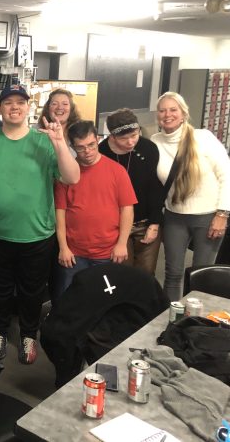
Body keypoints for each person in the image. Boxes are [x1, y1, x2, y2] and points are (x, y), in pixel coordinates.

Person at [0, 85, 79, 365]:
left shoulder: (45, 141)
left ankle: (29, 335)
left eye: (21, 102)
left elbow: (72, 177)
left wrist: (59, 143)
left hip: (36, 234)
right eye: (8, 102)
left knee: (32, 291)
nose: (15, 107)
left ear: (29, 107)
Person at [151, 91, 230, 301]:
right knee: (173, 274)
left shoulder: (203, 138)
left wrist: (222, 215)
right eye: (162, 110)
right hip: (174, 216)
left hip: (208, 217)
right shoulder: (155, 141)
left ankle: (196, 322)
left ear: (183, 113)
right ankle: (169, 321)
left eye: (173, 109)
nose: (167, 114)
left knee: (202, 276)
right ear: (157, 115)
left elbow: (226, 174)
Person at [53, 121, 137, 300]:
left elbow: (127, 210)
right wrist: (63, 247)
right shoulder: (66, 174)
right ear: (73, 147)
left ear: (98, 139)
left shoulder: (117, 171)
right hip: (74, 254)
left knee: (105, 301)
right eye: (81, 148)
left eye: (91, 145)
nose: (88, 151)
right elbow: (59, 212)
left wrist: (122, 243)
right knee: (69, 300)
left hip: (107, 252)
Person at [98, 108, 165, 274]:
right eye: (124, 138)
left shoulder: (148, 148)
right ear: (112, 136)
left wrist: (154, 223)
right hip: (116, 224)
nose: (130, 142)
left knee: (145, 274)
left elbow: (155, 188)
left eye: (134, 135)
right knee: (122, 272)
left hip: (145, 221)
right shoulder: (102, 152)